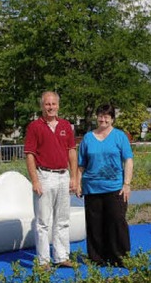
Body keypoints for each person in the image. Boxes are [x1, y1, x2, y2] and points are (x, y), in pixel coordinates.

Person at [24, 91, 78, 268]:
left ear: (58, 106)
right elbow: (30, 155)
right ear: (42, 106)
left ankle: (61, 256)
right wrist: (35, 180)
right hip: (44, 175)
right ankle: (43, 260)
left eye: (53, 104)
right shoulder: (34, 127)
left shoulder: (65, 126)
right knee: (42, 222)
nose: (51, 107)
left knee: (62, 219)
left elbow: (71, 151)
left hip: (63, 175)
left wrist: (74, 176)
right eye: (47, 104)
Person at [77, 103, 133, 267]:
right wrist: (78, 183)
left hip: (115, 187)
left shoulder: (119, 136)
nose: (103, 119)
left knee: (117, 221)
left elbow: (128, 160)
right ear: (97, 117)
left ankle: (121, 257)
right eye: (101, 116)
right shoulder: (87, 138)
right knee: (95, 224)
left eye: (107, 116)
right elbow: (81, 164)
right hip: (92, 187)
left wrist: (127, 184)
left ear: (112, 119)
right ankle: (97, 258)